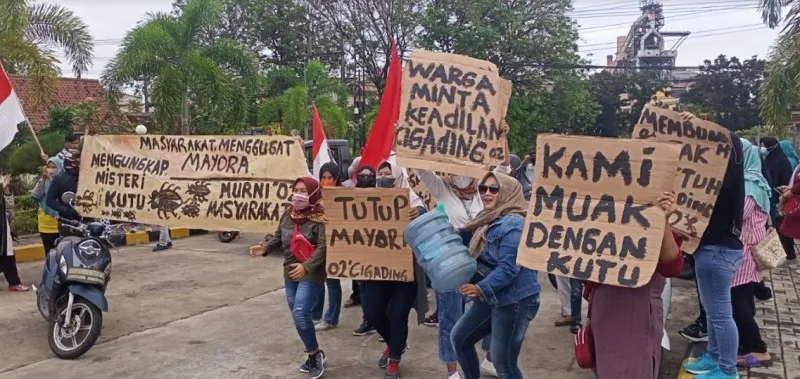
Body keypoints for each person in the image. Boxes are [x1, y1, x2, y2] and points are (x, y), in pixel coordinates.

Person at [450, 172, 540, 379]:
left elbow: (509, 268)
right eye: (483, 189)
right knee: (460, 339)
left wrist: (479, 288)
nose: (486, 194)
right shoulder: (489, 218)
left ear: (508, 192)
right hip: (493, 296)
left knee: (504, 364)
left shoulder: (514, 224)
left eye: (493, 189)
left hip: (515, 301)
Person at [589, 192, 682, 378]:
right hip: (604, 307)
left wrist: (662, 220)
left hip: (638, 311)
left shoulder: (657, 199)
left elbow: (672, 266)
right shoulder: (596, 204)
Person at [415, 168, 495, 377]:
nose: (462, 173)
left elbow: (502, 169)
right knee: (450, 311)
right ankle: (452, 370)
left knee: (493, 299)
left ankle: (491, 356)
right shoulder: (442, 187)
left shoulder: (484, 189)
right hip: (451, 249)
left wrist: (502, 138)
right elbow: (421, 170)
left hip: (481, 249)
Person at [683, 126, 745, 379]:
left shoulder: (724, 180)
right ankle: (714, 355)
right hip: (712, 249)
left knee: (720, 314)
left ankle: (727, 370)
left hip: (717, 250)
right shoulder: (723, 177)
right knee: (712, 310)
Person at [250, 176, 328, 379]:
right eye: (296, 190)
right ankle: (314, 353)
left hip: (312, 273)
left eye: (303, 190)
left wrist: (306, 266)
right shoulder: (288, 214)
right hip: (289, 272)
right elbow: (278, 236)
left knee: (301, 313)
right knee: (297, 316)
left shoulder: (321, 217)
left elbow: (323, 247)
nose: (298, 194)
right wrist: (265, 247)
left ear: (312, 193)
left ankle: (313, 355)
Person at [362, 160, 428, 379]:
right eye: (380, 172)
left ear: (397, 174)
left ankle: (394, 360)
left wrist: (417, 212)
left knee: (399, 314)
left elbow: (424, 208)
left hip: (404, 269)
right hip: (378, 268)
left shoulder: (410, 195)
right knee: (373, 312)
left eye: (388, 172)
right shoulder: (368, 196)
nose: (383, 176)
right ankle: (395, 343)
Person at [732, 138, 771, 368]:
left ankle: (759, 350)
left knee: (739, 303)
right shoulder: (751, 180)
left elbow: (739, 213)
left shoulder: (750, 183)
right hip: (745, 250)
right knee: (742, 301)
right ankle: (747, 345)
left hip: (745, 252)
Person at [312, 162, 344, 331]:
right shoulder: (315, 195)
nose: (326, 180)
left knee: (332, 281)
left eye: (329, 178)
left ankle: (331, 318)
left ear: (336, 179)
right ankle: (315, 314)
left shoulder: (343, 196)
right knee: (317, 279)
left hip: (335, 243)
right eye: (323, 177)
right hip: (319, 244)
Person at [760, 136, 796, 264]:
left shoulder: (783, 161)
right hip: (771, 197)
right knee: (775, 228)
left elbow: (787, 180)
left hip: (780, 198)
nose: (762, 148)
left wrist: (781, 196)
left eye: (764, 145)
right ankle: (778, 255)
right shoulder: (767, 159)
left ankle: (789, 254)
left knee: (781, 228)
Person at [351, 165, 377, 336]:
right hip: (358, 251)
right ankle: (368, 321)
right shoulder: (350, 196)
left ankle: (382, 322)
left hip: (378, 252)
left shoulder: (384, 195)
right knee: (364, 290)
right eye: (362, 176)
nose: (366, 179)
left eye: (369, 176)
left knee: (379, 290)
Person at [1, 175, 30, 292]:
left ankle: (14, 282)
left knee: (8, 257)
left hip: (3, 230)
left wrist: (6, 189)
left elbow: (9, 208)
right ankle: (14, 282)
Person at [31, 157, 63, 255]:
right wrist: (43, 180)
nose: (51, 170)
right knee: (50, 254)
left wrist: (50, 181)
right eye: (49, 167)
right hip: (45, 225)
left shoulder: (63, 182)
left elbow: (57, 199)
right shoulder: (43, 180)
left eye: (54, 167)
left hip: (61, 224)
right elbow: (35, 196)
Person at [46, 149, 81, 234]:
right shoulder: (59, 179)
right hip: (68, 223)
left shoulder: (87, 177)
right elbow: (49, 201)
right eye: (77, 161)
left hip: (87, 222)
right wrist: (66, 210)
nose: (80, 164)